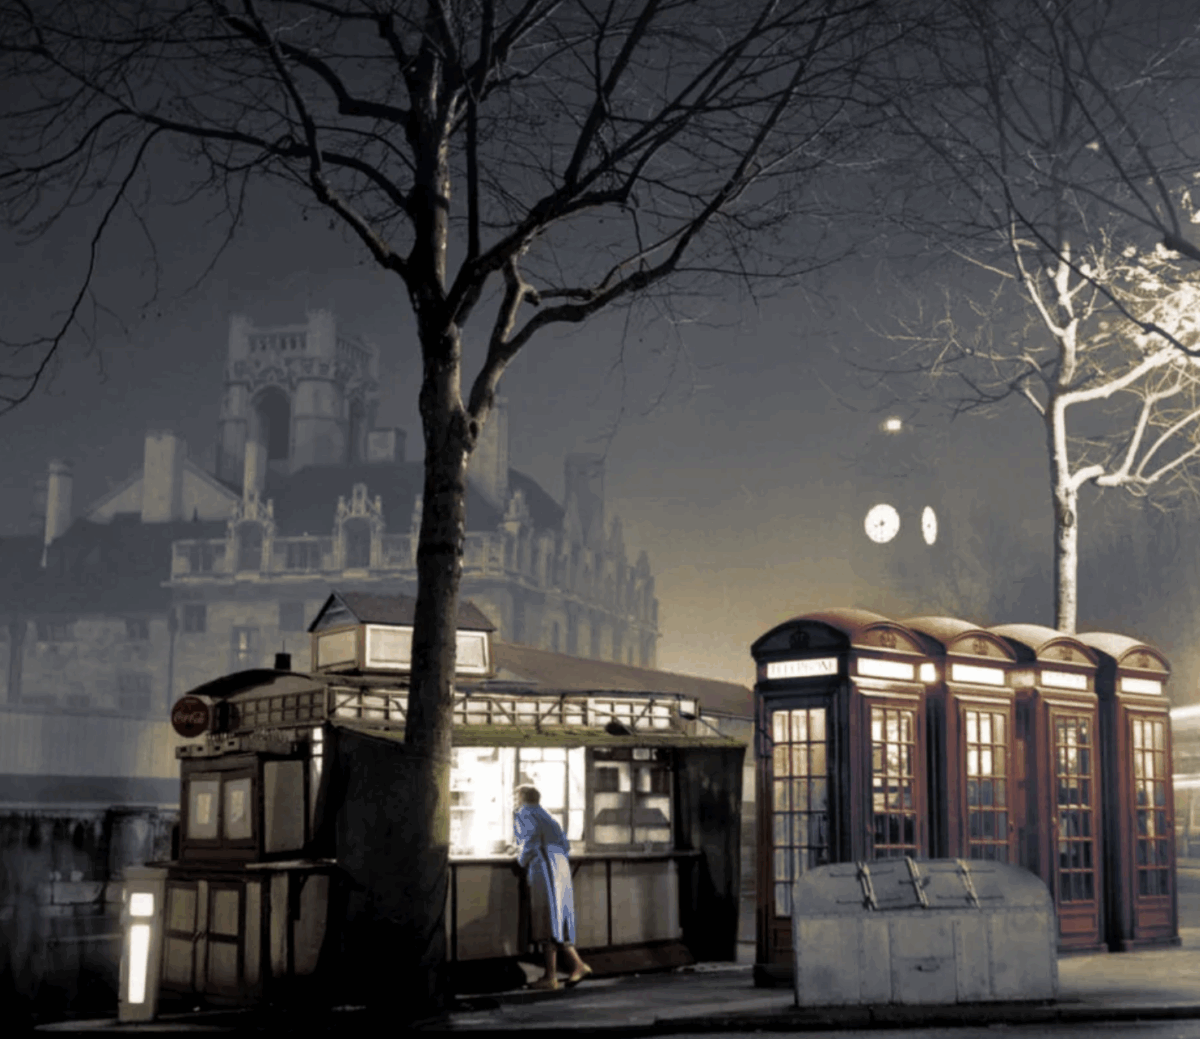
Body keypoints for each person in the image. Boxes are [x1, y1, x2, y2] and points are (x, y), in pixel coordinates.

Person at [512, 784, 593, 991]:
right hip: (561, 868)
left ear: (521, 797)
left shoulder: (525, 813)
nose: (514, 800)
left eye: (515, 796)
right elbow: (565, 845)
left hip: (544, 869)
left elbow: (529, 842)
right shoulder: (548, 815)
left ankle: (550, 976)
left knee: (546, 919)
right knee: (559, 921)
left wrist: (520, 858)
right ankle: (576, 966)